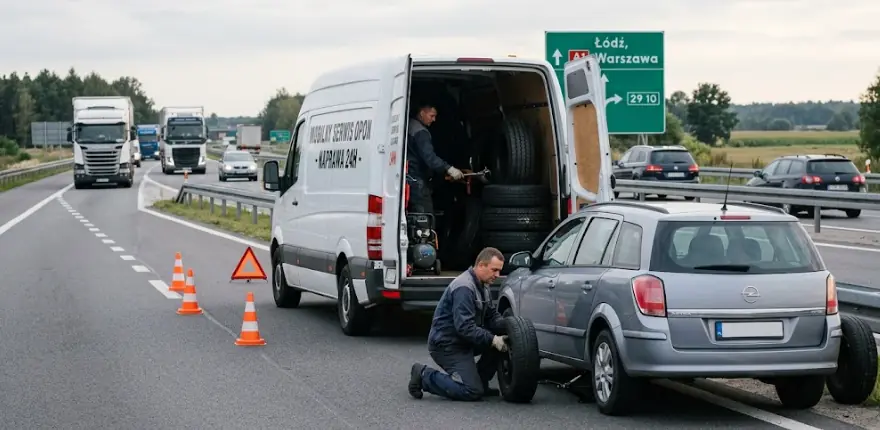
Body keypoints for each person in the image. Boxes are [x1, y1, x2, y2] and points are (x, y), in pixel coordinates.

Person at [408, 247, 509, 401]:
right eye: (494, 270)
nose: (497, 275)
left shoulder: (483, 285)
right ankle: (423, 375)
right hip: (447, 345)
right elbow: (465, 328)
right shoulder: (464, 288)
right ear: (481, 265)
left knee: (501, 342)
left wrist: (512, 326)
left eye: (499, 271)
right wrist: (493, 340)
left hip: (464, 341)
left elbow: (491, 316)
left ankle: (480, 381)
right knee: (472, 391)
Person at [406, 102, 464, 214]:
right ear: (422, 113)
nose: (434, 120)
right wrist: (449, 168)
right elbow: (430, 158)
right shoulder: (421, 132)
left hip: (408, 178)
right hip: (417, 180)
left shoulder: (409, 125)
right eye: (432, 116)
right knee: (425, 216)